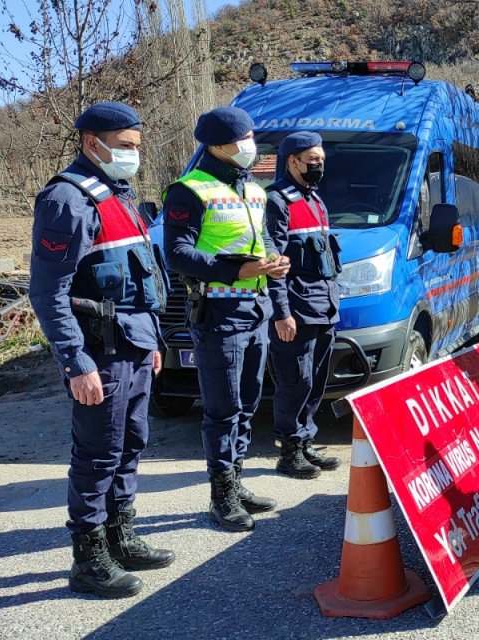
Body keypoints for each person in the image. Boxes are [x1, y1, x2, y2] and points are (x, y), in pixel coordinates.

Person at [28, 101, 175, 598]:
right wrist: (76, 362)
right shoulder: (67, 201)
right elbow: (48, 292)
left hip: (134, 349)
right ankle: (88, 559)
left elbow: (142, 280)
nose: (134, 155)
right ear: (93, 144)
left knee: (129, 448)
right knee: (97, 455)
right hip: (100, 353)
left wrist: (152, 342)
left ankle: (120, 537)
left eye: (136, 146)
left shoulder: (120, 196)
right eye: (126, 147)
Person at [163, 106, 290, 532]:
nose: (250, 145)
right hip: (218, 312)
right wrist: (235, 270)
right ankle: (222, 496)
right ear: (217, 145)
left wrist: (274, 261)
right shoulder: (188, 190)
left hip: (256, 311)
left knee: (249, 402)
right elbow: (177, 253)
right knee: (222, 409)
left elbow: (264, 237)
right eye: (243, 138)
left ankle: (237, 480)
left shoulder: (254, 189)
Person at [265, 131, 343, 479]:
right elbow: (274, 263)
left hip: (324, 307)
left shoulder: (315, 200)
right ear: (292, 161)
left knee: (315, 381)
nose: (319, 165)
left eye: (322, 160)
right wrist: (281, 312)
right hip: (296, 310)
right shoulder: (277, 201)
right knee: (294, 381)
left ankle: (306, 439)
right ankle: (289, 450)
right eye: (312, 160)